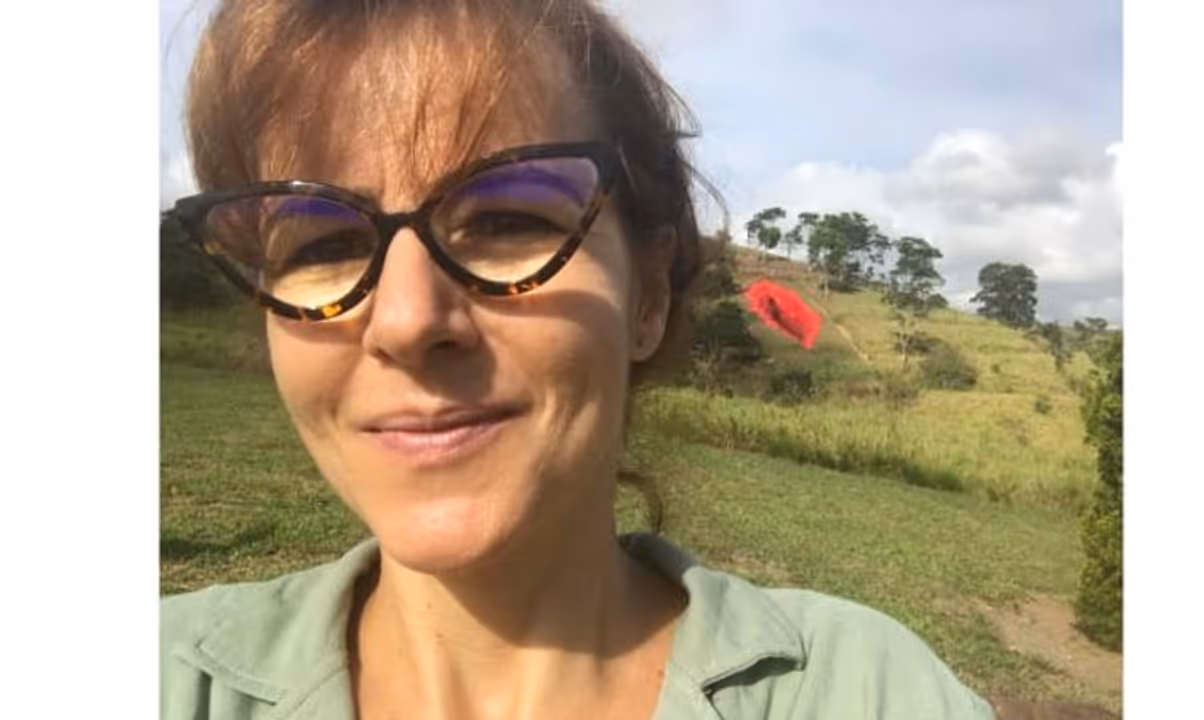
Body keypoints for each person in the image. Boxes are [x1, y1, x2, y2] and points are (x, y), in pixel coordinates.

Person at [160, 1, 997, 718]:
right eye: (322, 243)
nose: (408, 321)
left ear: (649, 297)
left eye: (506, 221)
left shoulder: (870, 692)